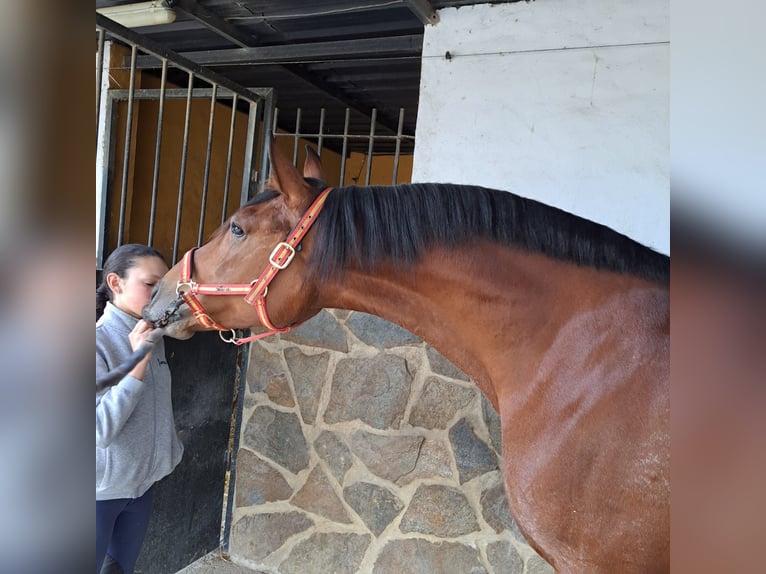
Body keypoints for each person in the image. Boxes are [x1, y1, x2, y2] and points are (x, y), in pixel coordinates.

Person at [96, 244, 183, 574]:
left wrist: (169, 448)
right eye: (150, 284)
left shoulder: (152, 337)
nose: (159, 294)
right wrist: (136, 364)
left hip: (141, 487)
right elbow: (98, 430)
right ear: (115, 283)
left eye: (163, 287)